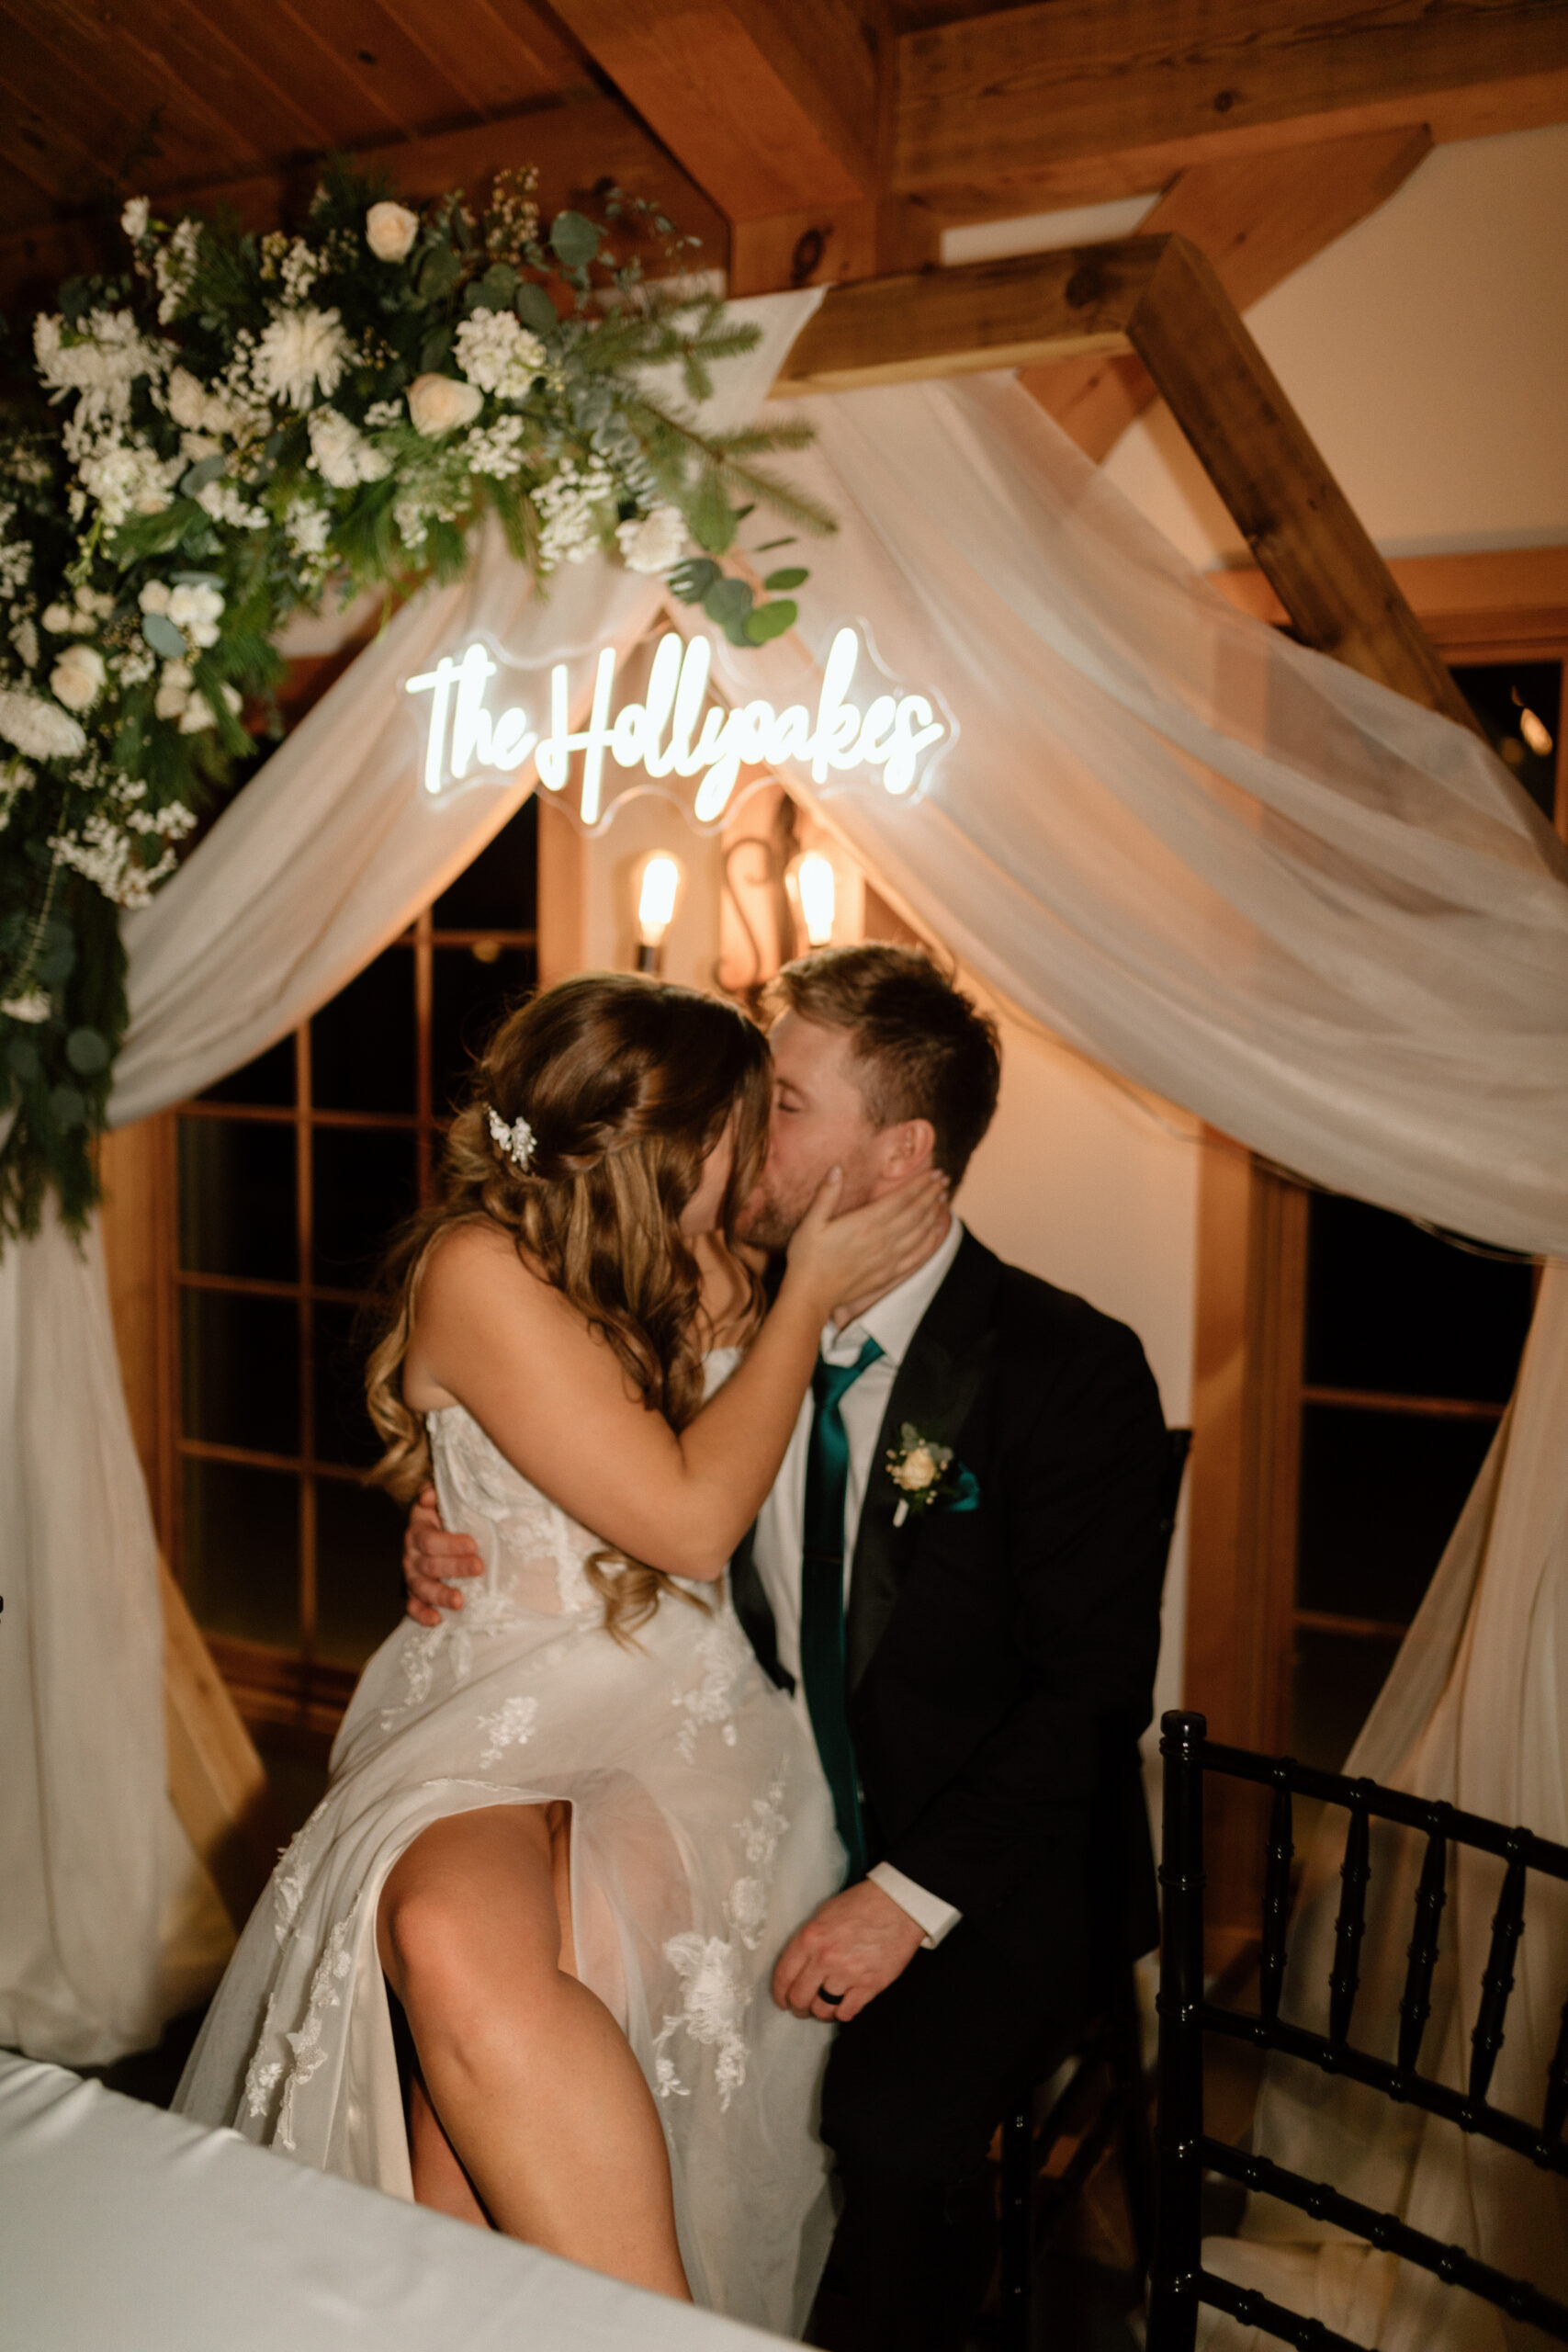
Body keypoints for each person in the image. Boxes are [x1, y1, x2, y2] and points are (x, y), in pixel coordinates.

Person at [406, 944, 1170, 2352]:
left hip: (975, 1859)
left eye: (789, 1102)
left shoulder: (1067, 1371)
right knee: (505, 2013)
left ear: (902, 1152)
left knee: (889, 2125)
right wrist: (450, 1523)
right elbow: (560, 1430)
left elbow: (1091, 1697)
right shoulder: (705, 1280)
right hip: (704, 1768)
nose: (751, 1131)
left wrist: (905, 1899)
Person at [175, 972, 948, 2337]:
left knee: (473, 2128)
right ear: (672, 1146)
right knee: (437, 1930)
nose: (755, 1153)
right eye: (741, 1122)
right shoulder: (475, 1267)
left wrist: (789, 1279)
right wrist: (801, 1292)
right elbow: (692, 1517)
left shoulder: (701, 1263)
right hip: (488, 1709)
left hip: (681, 1728)